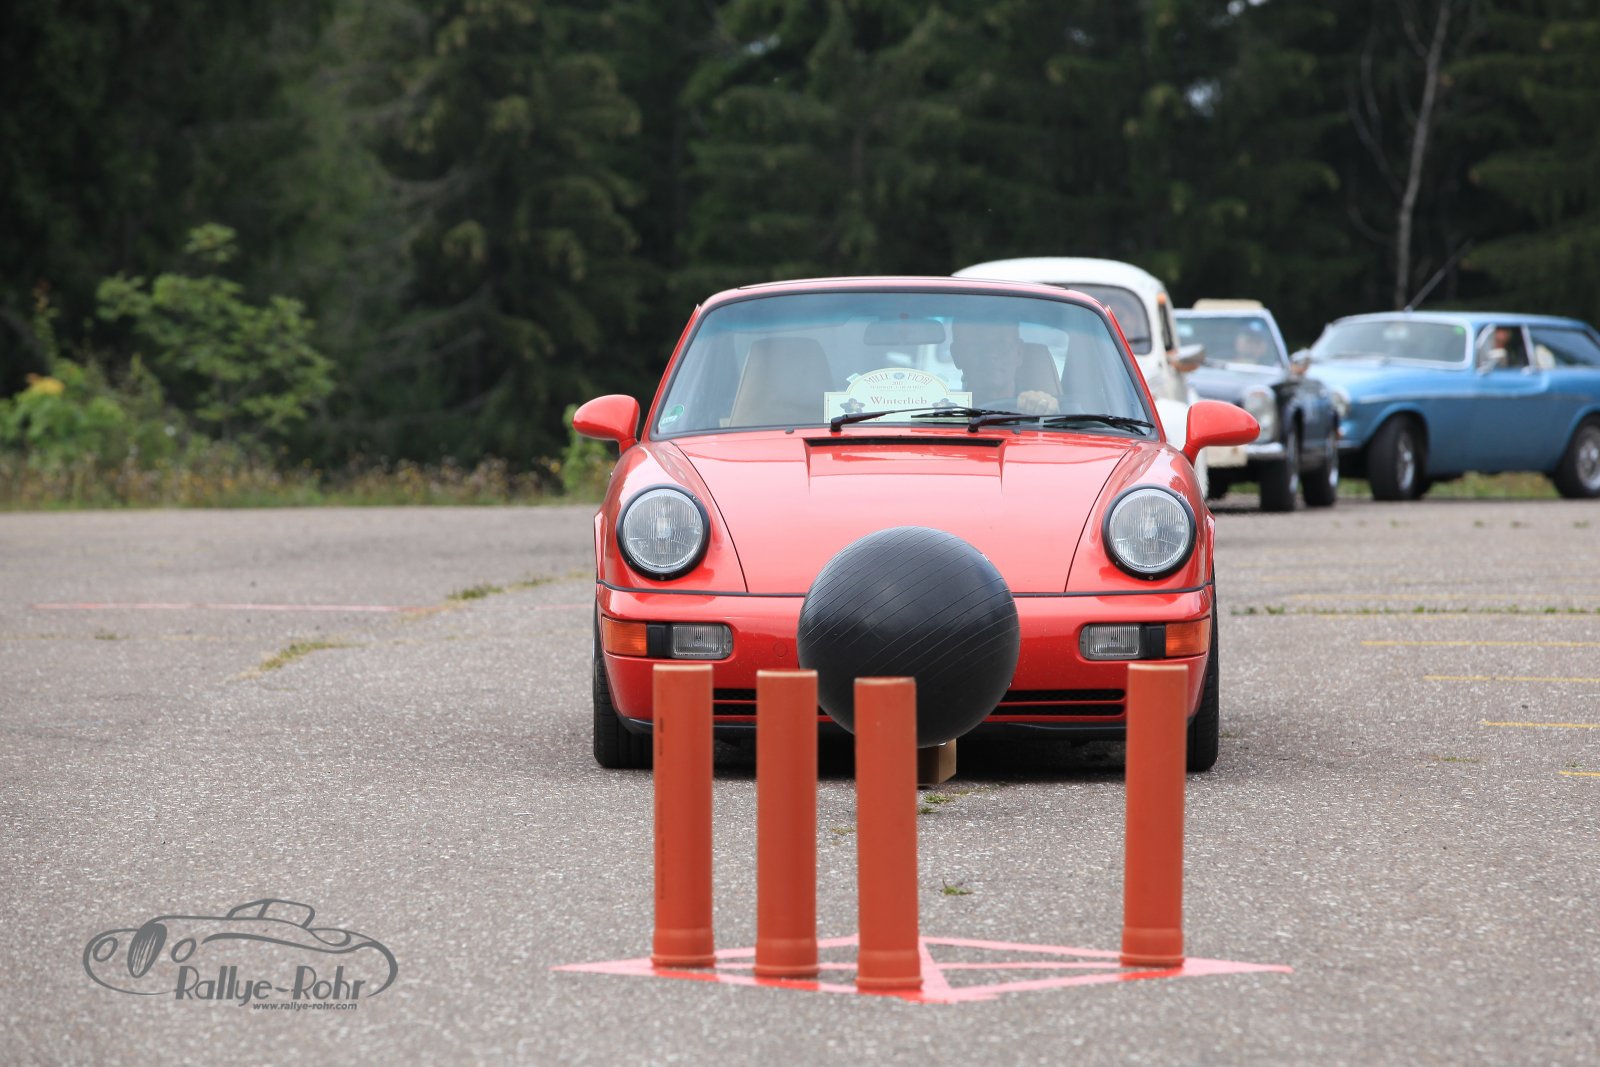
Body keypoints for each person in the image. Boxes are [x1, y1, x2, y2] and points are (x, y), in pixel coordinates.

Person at [947, 321, 1060, 414]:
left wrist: (1047, 411)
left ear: (1019, 353)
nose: (991, 354)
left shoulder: (1043, 415)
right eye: (977, 346)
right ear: (957, 355)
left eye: (1002, 345)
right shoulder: (942, 414)